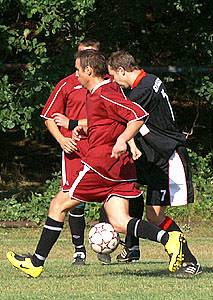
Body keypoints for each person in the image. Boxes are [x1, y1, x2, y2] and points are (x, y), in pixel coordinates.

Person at [6, 49, 186, 278]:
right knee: (120, 222)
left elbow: (137, 115)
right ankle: (169, 239)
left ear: (88, 70)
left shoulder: (103, 93)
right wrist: (85, 128)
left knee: (58, 205)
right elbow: (109, 120)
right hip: (119, 169)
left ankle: (36, 262)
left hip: (101, 166)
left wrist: (122, 140)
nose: (76, 74)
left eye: (78, 69)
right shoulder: (104, 91)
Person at [107, 50, 202, 277]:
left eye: (113, 76)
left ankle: (189, 260)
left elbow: (116, 113)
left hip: (166, 157)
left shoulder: (144, 89)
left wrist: (77, 122)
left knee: (155, 216)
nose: (114, 82)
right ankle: (133, 244)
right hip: (154, 158)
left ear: (122, 70)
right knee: (146, 210)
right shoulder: (149, 81)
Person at [40, 38, 100, 265]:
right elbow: (48, 117)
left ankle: (123, 246)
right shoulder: (67, 84)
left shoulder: (108, 86)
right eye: (83, 54)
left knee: (113, 198)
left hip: (102, 148)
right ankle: (79, 249)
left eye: (92, 54)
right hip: (75, 149)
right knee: (73, 200)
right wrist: (62, 140)